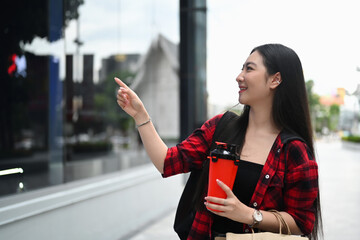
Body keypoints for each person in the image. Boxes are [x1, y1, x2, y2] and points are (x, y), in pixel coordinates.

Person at [115, 43, 322, 240]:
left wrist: (249, 214)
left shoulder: (294, 150)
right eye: (241, 69)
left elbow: (301, 222)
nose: (239, 77)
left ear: (275, 80)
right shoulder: (221, 127)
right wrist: (141, 116)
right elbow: (167, 162)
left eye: (249, 69)